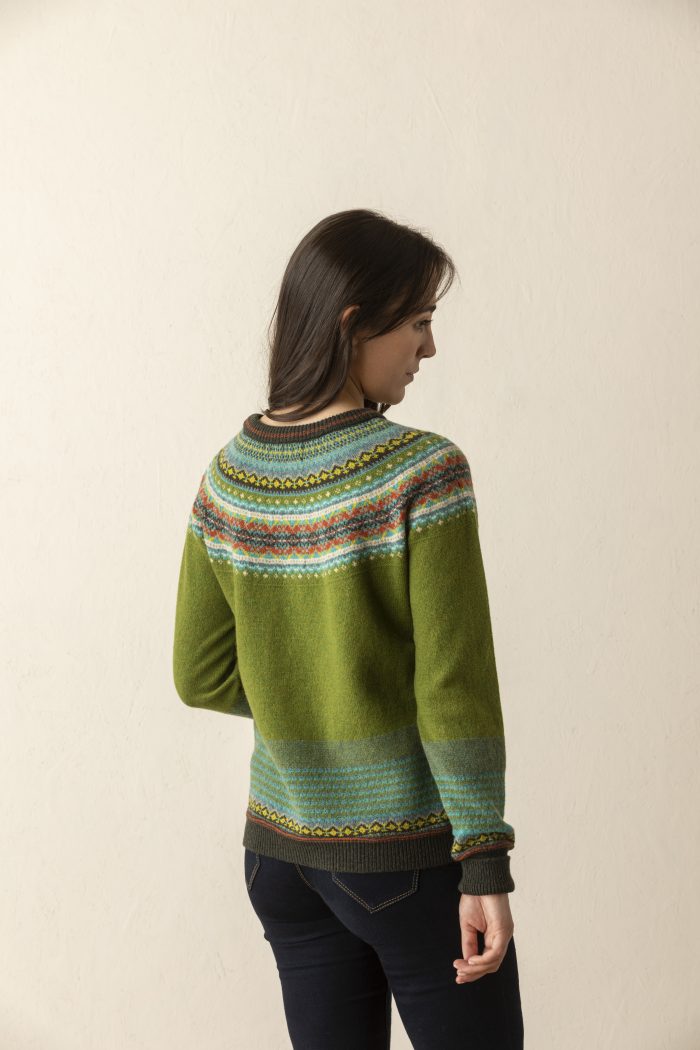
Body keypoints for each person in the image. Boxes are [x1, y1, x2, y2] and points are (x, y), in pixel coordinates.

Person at [172, 208, 524, 1049]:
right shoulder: (422, 473)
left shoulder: (229, 478)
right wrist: (484, 861)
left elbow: (199, 674)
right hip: (403, 858)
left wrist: (310, 703)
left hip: (279, 857)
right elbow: (452, 686)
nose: (428, 348)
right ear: (353, 324)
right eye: (419, 322)